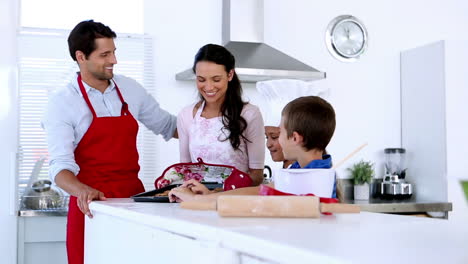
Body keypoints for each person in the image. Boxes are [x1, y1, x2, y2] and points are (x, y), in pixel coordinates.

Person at [42, 20, 177, 264]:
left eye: (114, 52)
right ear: (81, 56)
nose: (113, 60)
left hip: (133, 203)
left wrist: (213, 123)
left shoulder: (130, 89)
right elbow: (60, 168)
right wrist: (82, 190)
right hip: (92, 207)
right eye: (105, 54)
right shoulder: (62, 102)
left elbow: (169, 126)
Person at [169, 95, 337, 202]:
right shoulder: (300, 170)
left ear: (295, 138)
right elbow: (261, 190)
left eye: (280, 132)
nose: (276, 141)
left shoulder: (311, 175)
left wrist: (201, 201)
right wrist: (210, 196)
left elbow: (259, 193)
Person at [177, 44, 265, 186]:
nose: (209, 87)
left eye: (216, 79)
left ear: (230, 75)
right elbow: (184, 171)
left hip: (234, 202)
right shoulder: (186, 115)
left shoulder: (250, 114)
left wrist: (217, 193)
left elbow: (256, 175)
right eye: (201, 80)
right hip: (198, 201)